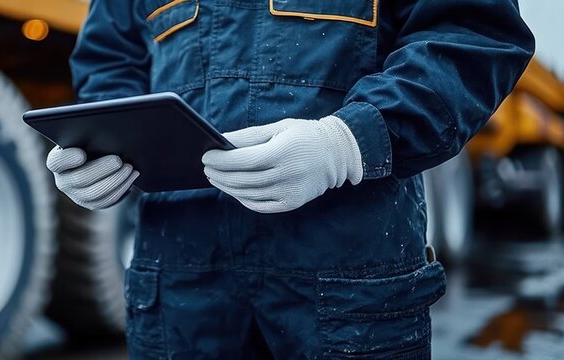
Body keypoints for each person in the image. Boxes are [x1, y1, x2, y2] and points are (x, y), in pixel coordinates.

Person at [46, 0, 534, 358]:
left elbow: (472, 32)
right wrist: (104, 145)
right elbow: (110, 60)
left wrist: (347, 143)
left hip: (347, 284)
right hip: (179, 288)